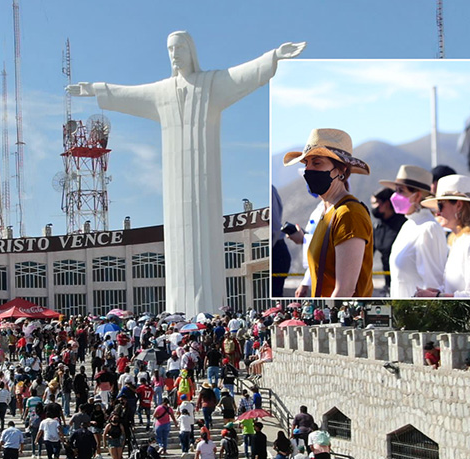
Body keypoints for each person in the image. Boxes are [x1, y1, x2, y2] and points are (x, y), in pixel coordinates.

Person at [68, 32, 305, 314]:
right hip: (174, 188)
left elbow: (244, 75)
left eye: (180, 47)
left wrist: (274, 57)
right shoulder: (162, 92)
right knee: (179, 246)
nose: (174, 53)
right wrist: (96, 89)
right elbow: (128, 94)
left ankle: (209, 309)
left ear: (191, 50)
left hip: (205, 183)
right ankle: (179, 312)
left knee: (205, 245)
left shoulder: (211, 84)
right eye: (170, 49)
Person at [284, 128, 373, 297]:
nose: (308, 170)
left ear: (341, 171)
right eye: (306, 164)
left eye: (317, 163)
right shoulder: (327, 212)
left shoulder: (349, 214)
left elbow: (345, 289)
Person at [416, 175, 470, 298]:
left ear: (459, 205)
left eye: (440, 205)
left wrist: (437, 296)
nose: (437, 212)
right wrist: (436, 292)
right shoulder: (460, 240)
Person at [378, 165, 448, 298]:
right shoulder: (408, 225)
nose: (394, 196)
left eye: (401, 191)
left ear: (417, 196)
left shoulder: (429, 228)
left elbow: (433, 285)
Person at [369, 187, 407, 294]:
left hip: (404, 280)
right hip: (388, 282)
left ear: (386, 203)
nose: (373, 207)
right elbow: (368, 253)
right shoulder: (376, 227)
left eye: (376, 203)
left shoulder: (404, 224)